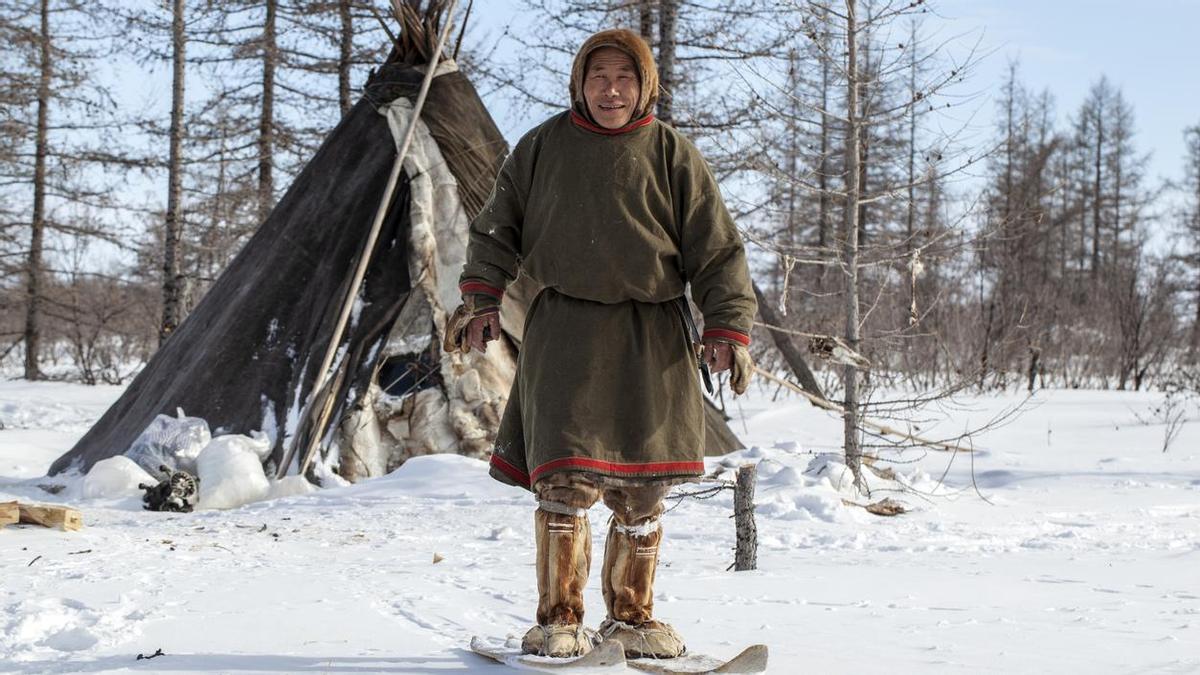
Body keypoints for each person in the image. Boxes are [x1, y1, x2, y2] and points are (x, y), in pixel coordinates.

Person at [449, 28, 757, 660]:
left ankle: (633, 619)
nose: (610, 90)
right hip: (565, 329)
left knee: (643, 487)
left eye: (624, 78)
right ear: (579, 84)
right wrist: (481, 296)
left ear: (644, 84)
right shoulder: (541, 148)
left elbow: (717, 248)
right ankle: (560, 619)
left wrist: (727, 326)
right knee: (564, 477)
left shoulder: (672, 153)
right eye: (598, 77)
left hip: (654, 333)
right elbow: (496, 229)